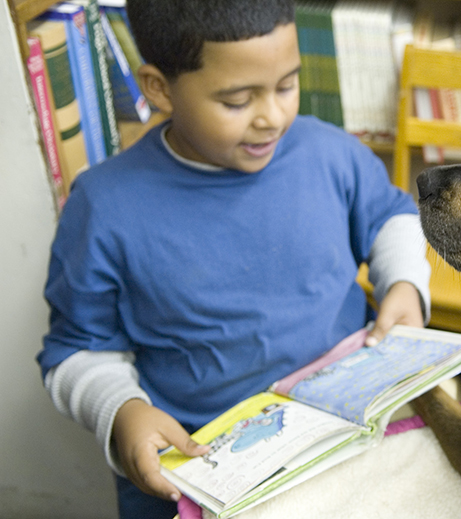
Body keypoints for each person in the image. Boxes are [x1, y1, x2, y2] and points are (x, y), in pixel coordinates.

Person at [36, 1, 430, 518]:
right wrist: (121, 412)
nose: (273, 116)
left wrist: (403, 281)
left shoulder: (330, 153)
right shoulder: (104, 206)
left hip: (352, 441)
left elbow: (391, 217)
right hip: (201, 477)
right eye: (238, 100)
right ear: (158, 88)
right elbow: (75, 351)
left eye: (286, 85)